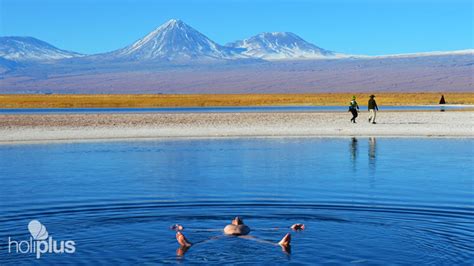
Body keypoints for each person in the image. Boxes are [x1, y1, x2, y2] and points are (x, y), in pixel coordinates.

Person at [173, 217, 304, 255]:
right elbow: (206, 230)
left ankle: (278, 244)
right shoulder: (226, 227)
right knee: (211, 239)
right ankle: (190, 244)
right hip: (227, 234)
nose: (236, 218)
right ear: (231, 222)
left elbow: (268, 228)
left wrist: (290, 227)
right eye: (235, 218)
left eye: (238, 218)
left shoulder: (247, 227)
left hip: (244, 235)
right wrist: (183, 228)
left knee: (258, 239)